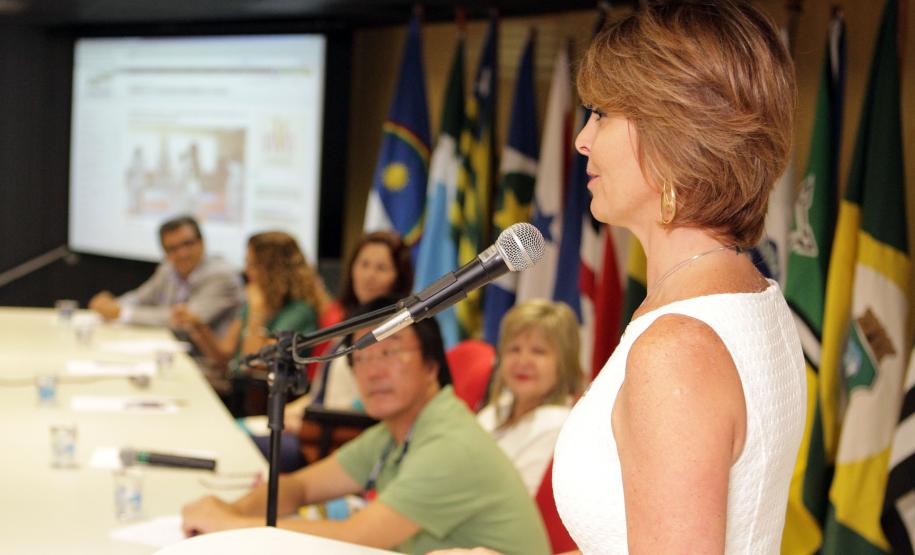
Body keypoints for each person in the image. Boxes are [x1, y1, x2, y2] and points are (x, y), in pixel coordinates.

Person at [435, 1, 806, 554]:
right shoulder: (746, 296)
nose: (583, 140)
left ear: (675, 135)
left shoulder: (678, 347)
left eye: (603, 115)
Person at [181, 302, 551, 555]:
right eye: (360, 358)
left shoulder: (451, 444)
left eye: (389, 353)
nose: (372, 371)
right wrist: (230, 511)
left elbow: (354, 540)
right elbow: (301, 486)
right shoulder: (400, 428)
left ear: (431, 365)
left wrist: (231, 525)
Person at [245, 230, 414, 471]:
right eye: (363, 264)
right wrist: (290, 411)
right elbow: (322, 393)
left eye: (381, 268)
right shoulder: (350, 322)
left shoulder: (393, 335)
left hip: (340, 441)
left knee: (242, 445)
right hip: (318, 425)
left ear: (399, 278)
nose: (369, 276)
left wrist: (308, 418)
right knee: (238, 429)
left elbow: (371, 405)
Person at [172, 231, 328, 415]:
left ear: (273, 269)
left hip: (260, 402)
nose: (246, 271)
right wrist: (198, 327)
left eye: (252, 264)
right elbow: (224, 355)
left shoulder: (298, 311)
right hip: (236, 391)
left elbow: (254, 364)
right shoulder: (257, 301)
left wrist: (256, 314)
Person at [476, 300, 583, 496]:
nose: (523, 361)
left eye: (538, 351)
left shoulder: (561, 426)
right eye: (514, 349)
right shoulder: (497, 409)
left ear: (564, 362)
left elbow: (517, 499)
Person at [89, 215, 241, 335]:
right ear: (165, 253)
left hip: (206, 362)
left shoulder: (221, 275)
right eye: (172, 248)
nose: (182, 253)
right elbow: (141, 297)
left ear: (202, 242)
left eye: (187, 244)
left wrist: (122, 313)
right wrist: (113, 305)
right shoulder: (168, 268)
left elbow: (184, 322)